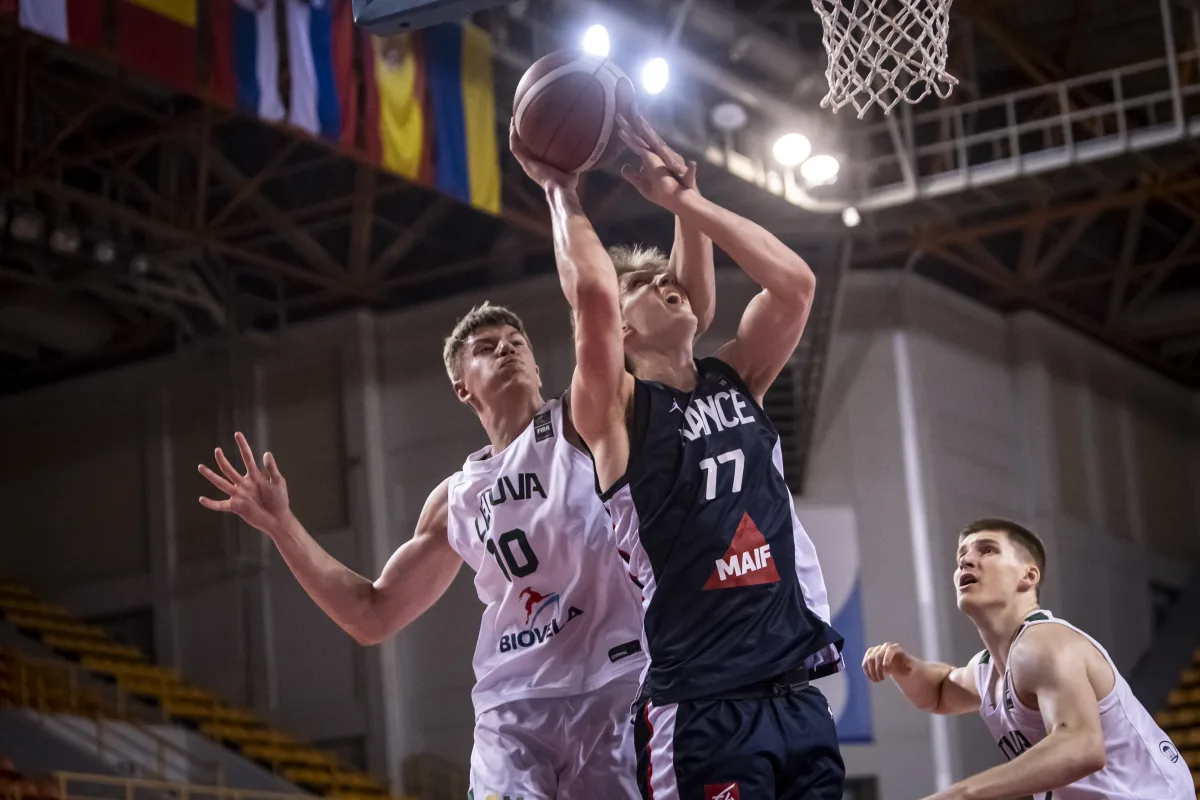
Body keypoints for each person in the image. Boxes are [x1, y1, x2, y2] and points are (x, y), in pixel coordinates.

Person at [195, 295, 704, 799]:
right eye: (487, 347)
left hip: (615, 685)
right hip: (513, 709)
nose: (507, 349)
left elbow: (611, 327)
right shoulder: (456, 497)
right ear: (462, 388)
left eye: (516, 342)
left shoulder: (586, 423)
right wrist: (283, 525)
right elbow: (371, 615)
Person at [511, 113, 845, 799]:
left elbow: (796, 286)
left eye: (674, 282)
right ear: (625, 329)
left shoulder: (737, 375)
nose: (671, 286)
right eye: (650, 287)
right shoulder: (614, 410)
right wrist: (558, 189)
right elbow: (595, 297)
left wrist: (686, 204)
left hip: (796, 698)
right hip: (701, 706)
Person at [862, 518, 1193, 800]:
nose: (966, 561)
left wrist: (961, 793)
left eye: (987, 550)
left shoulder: (1044, 642)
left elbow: (1082, 746)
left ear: (1028, 576)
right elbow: (938, 691)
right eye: (961, 555)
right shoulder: (990, 669)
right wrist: (905, 668)